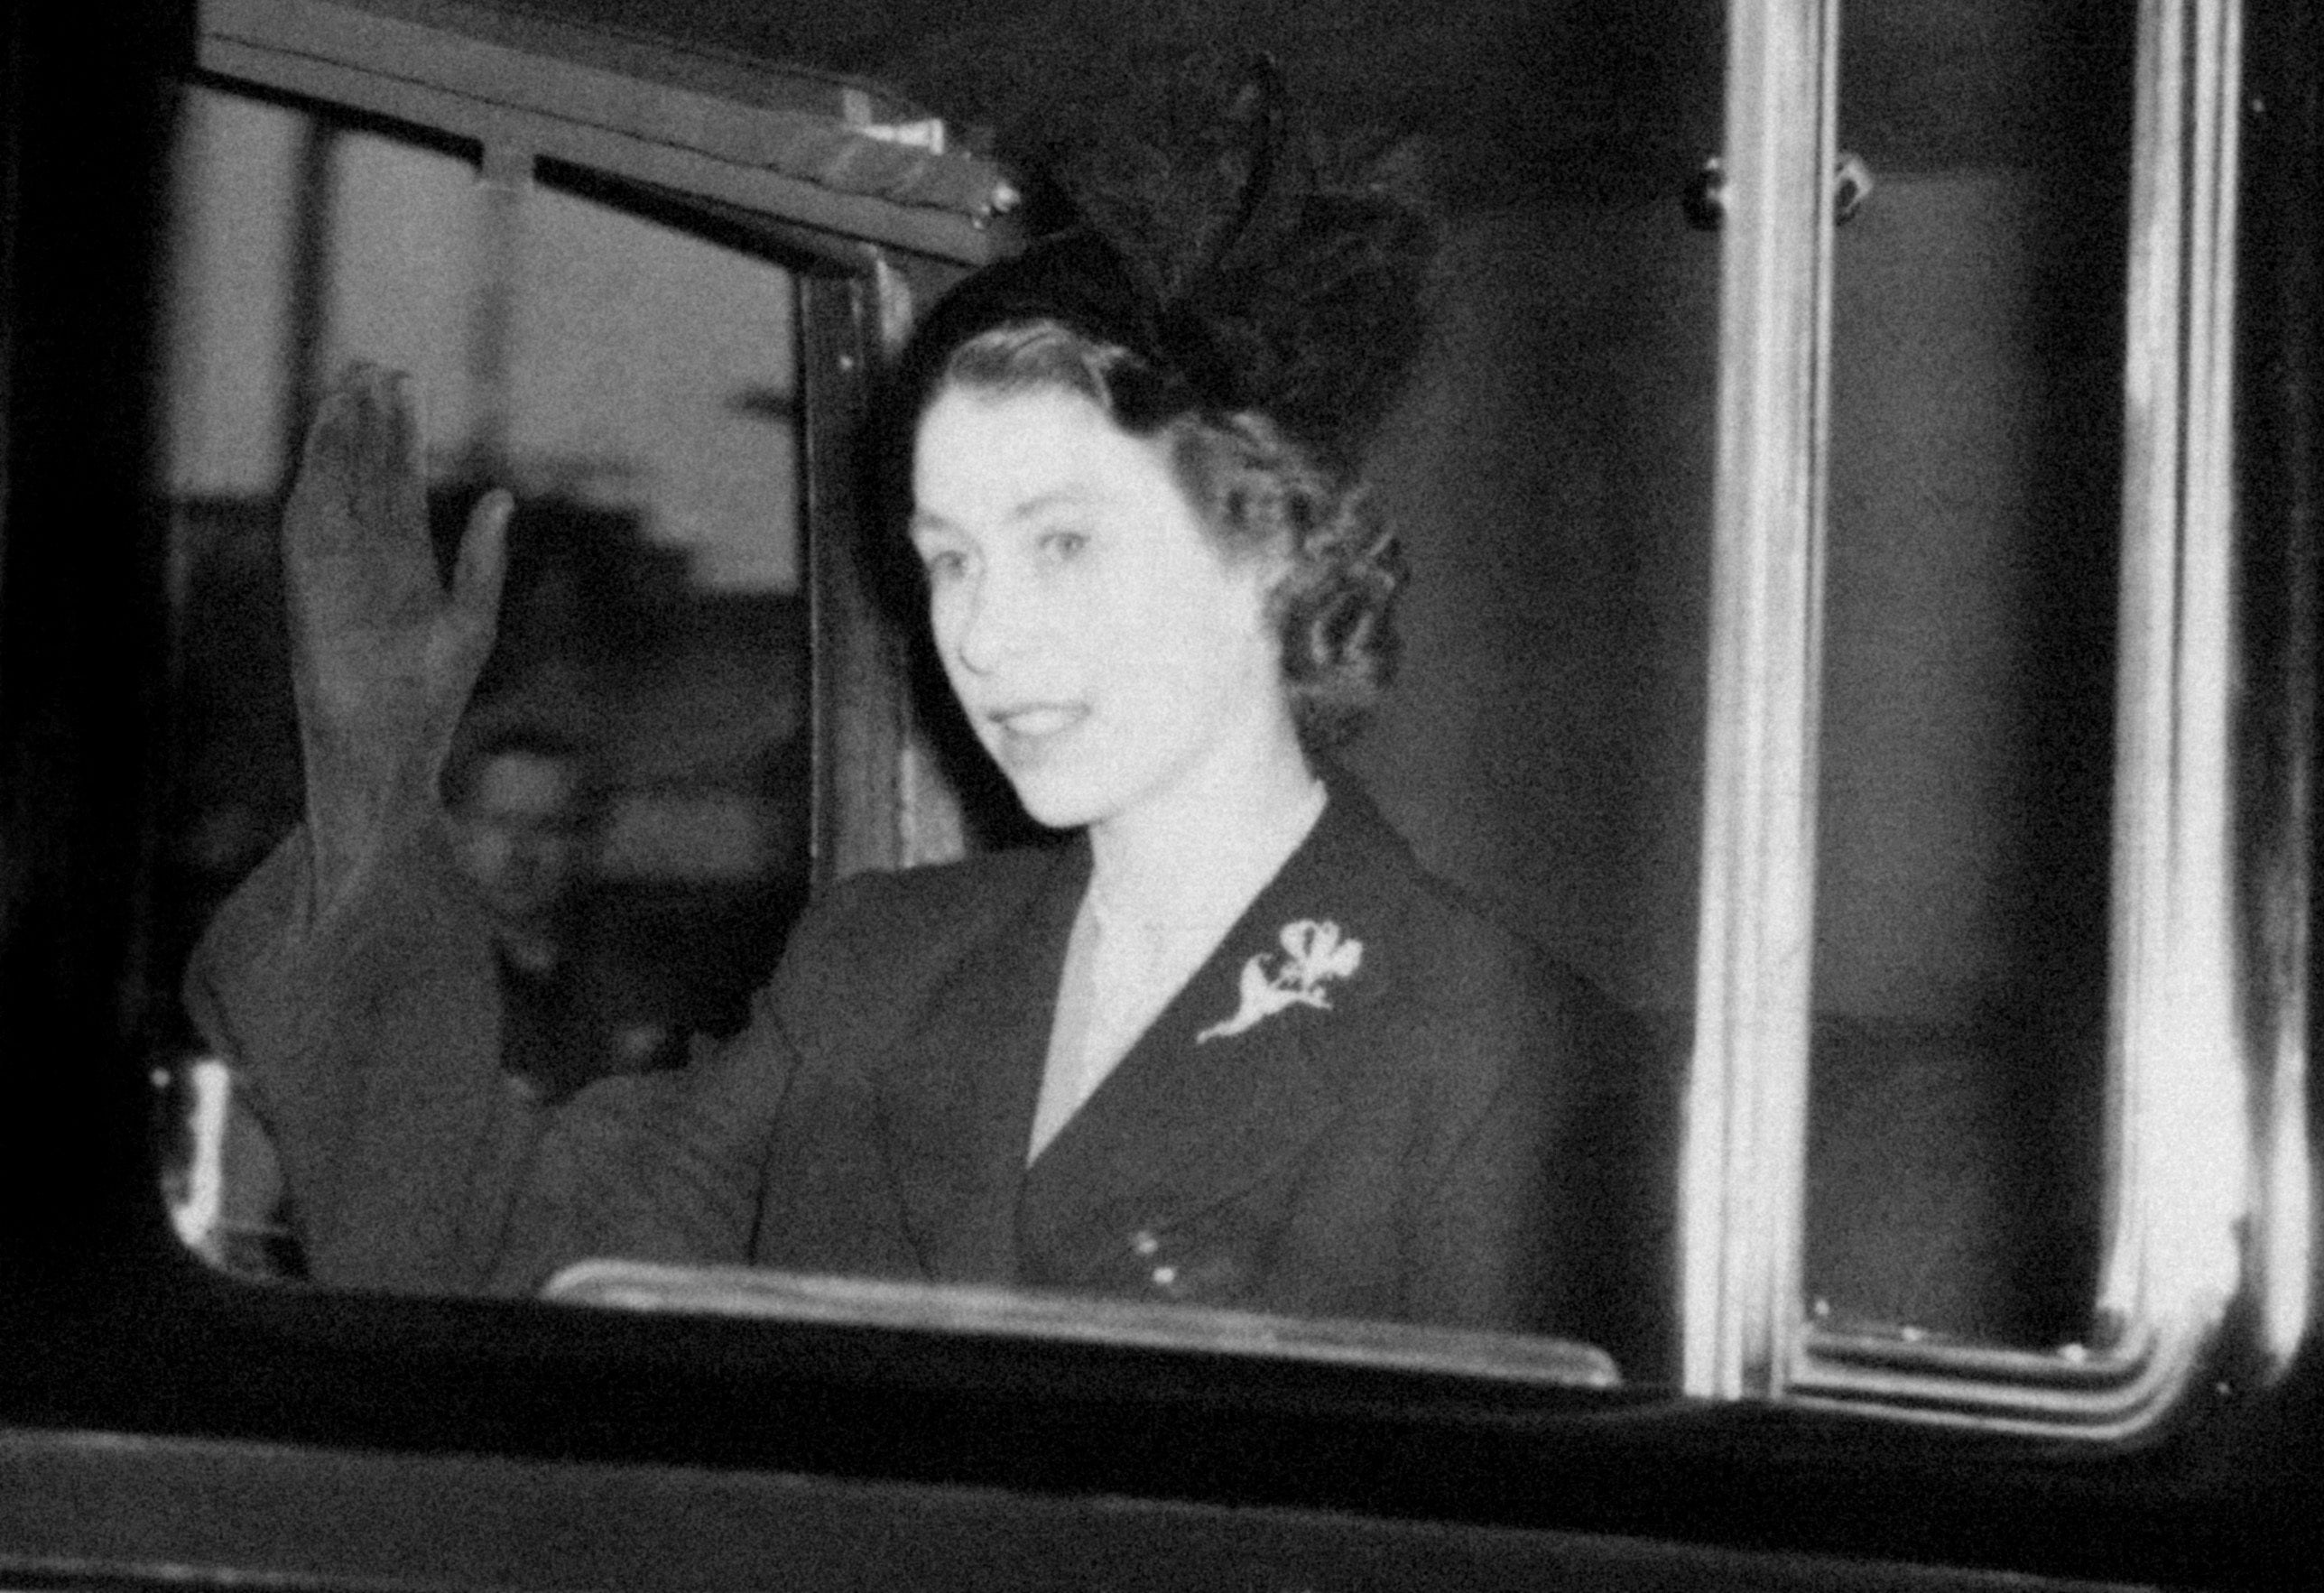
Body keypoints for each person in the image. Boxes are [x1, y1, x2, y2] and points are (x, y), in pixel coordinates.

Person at [190, 70, 1633, 1346]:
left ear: (1265, 545)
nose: (984, 636)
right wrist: (375, 770)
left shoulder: (1505, 1064)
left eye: (1062, 542)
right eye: (950, 558)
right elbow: (506, 1275)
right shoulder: (877, 975)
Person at [440, 727, 689, 1102]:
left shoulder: (632, 975)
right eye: (501, 823)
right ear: (459, 832)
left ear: (586, 842)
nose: (519, 854)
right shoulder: (416, 975)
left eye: (547, 828)